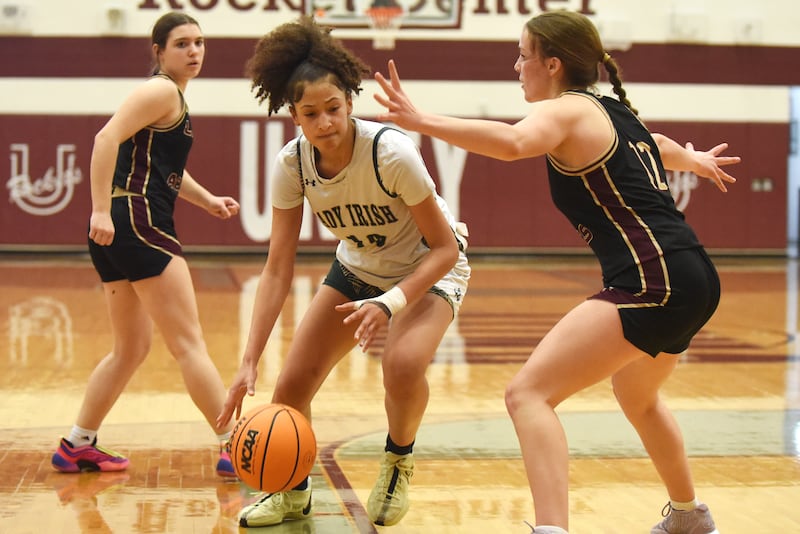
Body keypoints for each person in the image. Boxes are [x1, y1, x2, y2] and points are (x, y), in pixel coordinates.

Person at [373, 10, 739, 534]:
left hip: (652, 280)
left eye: (523, 55)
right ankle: (688, 517)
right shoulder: (609, 111)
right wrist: (695, 159)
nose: (516, 65)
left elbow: (512, 144)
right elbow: (656, 145)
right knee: (638, 395)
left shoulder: (567, 111)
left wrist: (421, 120)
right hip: (695, 277)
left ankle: (552, 530)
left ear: (552, 63)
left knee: (527, 394)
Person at [216, 15, 470, 528]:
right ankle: (291, 493)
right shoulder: (294, 166)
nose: (326, 122)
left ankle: (398, 461)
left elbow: (444, 248)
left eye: (334, 108)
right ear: (294, 116)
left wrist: (391, 303)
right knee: (289, 390)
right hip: (358, 270)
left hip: (429, 268)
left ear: (350, 102)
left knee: (401, 366)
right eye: (312, 113)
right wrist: (248, 360)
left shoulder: (391, 153)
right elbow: (277, 269)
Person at [51, 12, 240, 478]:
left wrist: (207, 200)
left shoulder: (170, 99)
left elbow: (167, 171)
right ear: (158, 51)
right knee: (189, 344)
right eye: (181, 44)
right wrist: (98, 209)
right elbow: (104, 138)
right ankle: (234, 444)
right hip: (136, 220)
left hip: (121, 224)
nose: (194, 51)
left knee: (131, 348)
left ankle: (78, 444)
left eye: (199, 42)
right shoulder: (161, 90)